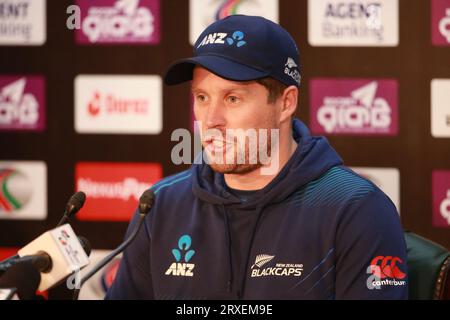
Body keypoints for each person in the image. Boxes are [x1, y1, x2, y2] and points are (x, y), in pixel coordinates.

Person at [105, 15, 408, 300]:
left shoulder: (355, 208)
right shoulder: (160, 205)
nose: (211, 120)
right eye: (202, 98)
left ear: (286, 103)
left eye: (233, 98)